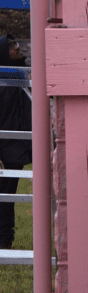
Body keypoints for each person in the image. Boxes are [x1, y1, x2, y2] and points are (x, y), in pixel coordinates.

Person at [0, 34, 31, 250]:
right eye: (12, 46)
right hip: (4, 152)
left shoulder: (23, 76)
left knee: (7, 199)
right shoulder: (3, 80)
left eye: (17, 43)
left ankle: (4, 241)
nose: (17, 47)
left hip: (15, 151)